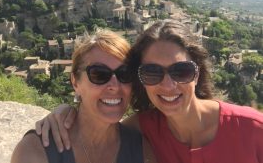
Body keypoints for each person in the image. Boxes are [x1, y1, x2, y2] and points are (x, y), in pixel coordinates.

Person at [36, 20, 263, 163]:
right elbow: (98, 124)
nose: (168, 85)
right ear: (140, 80)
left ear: (197, 73)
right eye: (153, 73)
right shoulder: (143, 129)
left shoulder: (253, 130)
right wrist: (66, 112)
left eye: (181, 71)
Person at [11, 29, 155, 163]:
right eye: (99, 74)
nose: (114, 86)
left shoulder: (141, 150)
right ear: (75, 82)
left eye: (125, 74)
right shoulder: (35, 151)